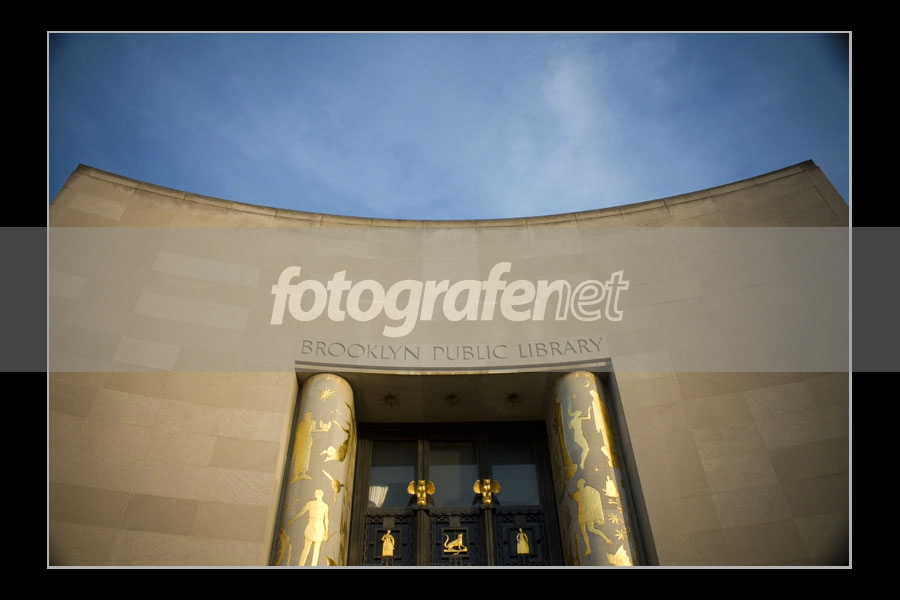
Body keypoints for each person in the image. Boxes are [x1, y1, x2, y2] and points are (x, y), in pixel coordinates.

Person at [570, 478, 611, 556]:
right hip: (581, 513)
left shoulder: (588, 490)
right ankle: (588, 548)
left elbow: (596, 494)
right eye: (578, 484)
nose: (578, 485)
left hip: (587, 513)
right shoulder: (578, 493)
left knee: (591, 529)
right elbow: (572, 497)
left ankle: (606, 538)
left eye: (580, 483)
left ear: (582, 484)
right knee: (583, 532)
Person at [289, 489, 330, 566]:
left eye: (317, 494)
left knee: (312, 550)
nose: (317, 495)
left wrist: (326, 531)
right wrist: (294, 518)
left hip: (318, 528)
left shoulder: (322, 505)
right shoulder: (315, 504)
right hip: (314, 527)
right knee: (309, 550)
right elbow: (302, 512)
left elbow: (326, 519)